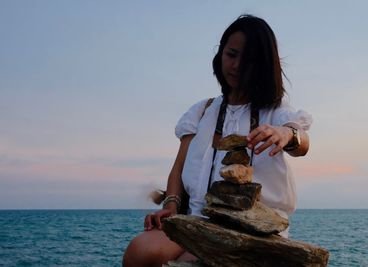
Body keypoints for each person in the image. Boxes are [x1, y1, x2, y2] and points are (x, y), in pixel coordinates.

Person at [123, 14, 312, 267]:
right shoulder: (202, 111)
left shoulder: (274, 111)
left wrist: (286, 134)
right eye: (231, 55)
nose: (236, 65)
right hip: (198, 221)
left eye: (248, 59)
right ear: (220, 54)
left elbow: (302, 142)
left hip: (254, 230)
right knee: (139, 251)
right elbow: (179, 167)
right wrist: (171, 205)